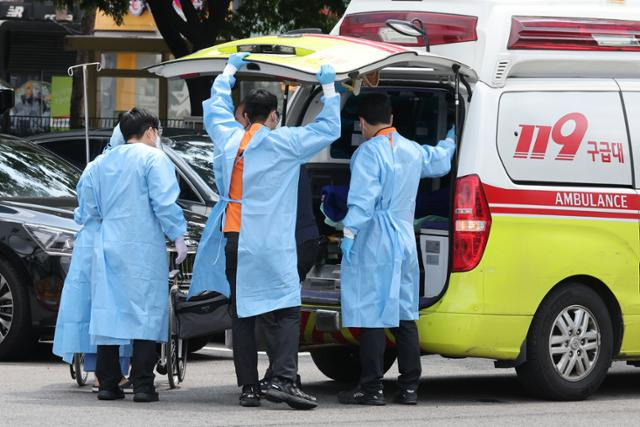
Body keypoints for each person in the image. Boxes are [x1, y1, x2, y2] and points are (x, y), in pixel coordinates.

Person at [189, 52, 340, 410]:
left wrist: (228, 71)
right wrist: (329, 87)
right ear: (273, 116)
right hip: (270, 241)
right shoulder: (284, 142)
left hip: (234, 237)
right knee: (286, 308)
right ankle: (284, 379)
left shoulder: (228, 138)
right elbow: (329, 129)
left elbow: (214, 107)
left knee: (242, 313)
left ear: (245, 116)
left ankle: (249, 388)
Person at [338, 93, 456, 406]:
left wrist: (349, 232)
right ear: (393, 119)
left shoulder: (367, 153)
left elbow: (363, 199)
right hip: (405, 239)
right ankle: (409, 388)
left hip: (376, 239)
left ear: (362, 123)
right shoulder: (412, 150)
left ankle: (372, 388)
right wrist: (452, 139)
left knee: (373, 315)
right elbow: (440, 161)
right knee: (405, 313)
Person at [80, 108, 188, 403]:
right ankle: (142, 385)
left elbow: (88, 207)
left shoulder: (100, 162)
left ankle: (108, 384)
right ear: (151, 131)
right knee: (146, 313)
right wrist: (178, 234)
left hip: (108, 242)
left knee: (108, 313)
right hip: (142, 245)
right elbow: (164, 202)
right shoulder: (154, 158)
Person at [52, 125, 132, 392]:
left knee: (91, 306)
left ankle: (99, 370)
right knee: (118, 305)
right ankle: (116, 371)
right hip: (121, 239)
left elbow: (84, 208)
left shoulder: (94, 168)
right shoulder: (135, 166)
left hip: (91, 241)